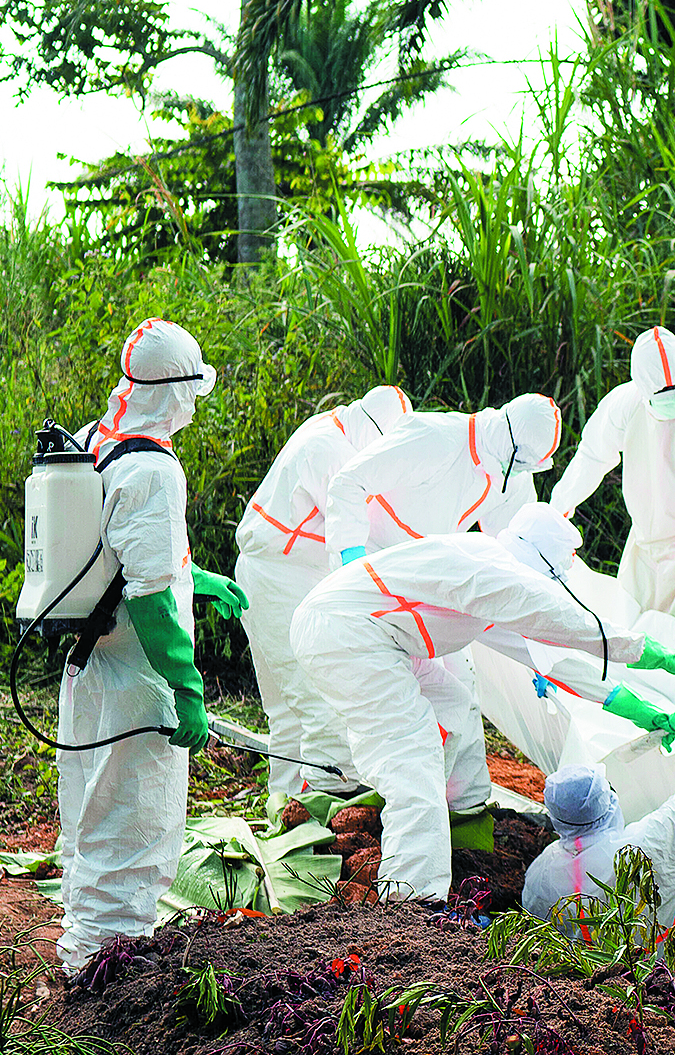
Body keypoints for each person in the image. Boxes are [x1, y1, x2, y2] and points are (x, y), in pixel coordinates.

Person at [289, 504, 675, 902]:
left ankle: (437, 822)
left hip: (374, 636)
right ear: (540, 566)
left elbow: (555, 662)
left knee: (451, 703)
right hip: (348, 635)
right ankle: (411, 900)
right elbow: (559, 619)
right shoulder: (488, 568)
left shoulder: (487, 582)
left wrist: (645, 713)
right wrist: (646, 650)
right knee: (411, 755)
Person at [58, 318, 240, 976]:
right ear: (176, 392)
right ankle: (110, 969)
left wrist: (198, 576)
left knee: (91, 808)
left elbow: (116, 552)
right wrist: (187, 690)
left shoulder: (92, 440)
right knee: (135, 820)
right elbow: (151, 598)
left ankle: (84, 948)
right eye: (193, 392)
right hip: (137, 675)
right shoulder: (156, 469)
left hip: (88, 662)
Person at [233, 386, 413, 811]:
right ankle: (324, 814)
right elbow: (361, 529)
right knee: (317, 697)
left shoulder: (331, 427)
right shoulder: (330, 452)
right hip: (279, 579)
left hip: (277, 572)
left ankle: (284, 805)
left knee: (289, 710)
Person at [549, 327, 675, 654]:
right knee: (629, 630)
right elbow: (591, 456)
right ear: (641, 388)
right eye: (662, 394)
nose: (673, 396)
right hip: (649, 537)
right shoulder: (625, 404)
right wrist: (556, 512)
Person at [520, 723, 675, 934]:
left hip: (570, 968)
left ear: (556, 817)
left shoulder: (540, 874)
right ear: (607, 803)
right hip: (653, 967)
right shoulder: (644, 847)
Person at [322, 393, 563, 565]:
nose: (521, 470)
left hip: (424, 569)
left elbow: (511, 538)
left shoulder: (514, 476)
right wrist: (352, 554)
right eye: (520, 462)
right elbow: (350, 482)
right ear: (512, 443)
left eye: (529, 466)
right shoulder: (436, 437)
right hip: (370, 552)